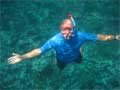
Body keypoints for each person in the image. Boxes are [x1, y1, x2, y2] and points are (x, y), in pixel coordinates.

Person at [8, 15, 120, 70]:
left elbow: (100, 37)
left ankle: (79, 48)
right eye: (63, 30)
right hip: (61, 59)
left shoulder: (81, 35)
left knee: (80, 61)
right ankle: (58, 55)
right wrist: (23, 57)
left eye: (69, 29)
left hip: (76, 55)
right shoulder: (55, 40)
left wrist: (115, 37)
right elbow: (39, 50)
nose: (66, 33)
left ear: (74, 29)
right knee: (60, 68)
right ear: (60, 29)